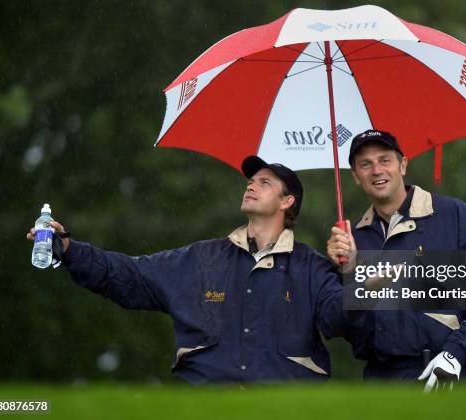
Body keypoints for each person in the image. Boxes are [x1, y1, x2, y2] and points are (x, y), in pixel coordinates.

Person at [28, 156, 359, 385]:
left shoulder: (313, 267)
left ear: (287, 202)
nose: (251, 186)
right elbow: (129, 275)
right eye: (251, 181)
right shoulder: (202, 258)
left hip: (287, 410)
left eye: (265, 182)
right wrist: (70, 250)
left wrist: (352, 273)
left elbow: (341, 319)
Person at [327, 129, 466, 391]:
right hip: (379, 382)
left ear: (402, 165)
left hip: (445, 375)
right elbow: (338, 326)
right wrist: (349, 272)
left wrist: (456, 355)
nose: (376, 170)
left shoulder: (453, 215)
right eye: (365, 164)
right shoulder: (351, 238)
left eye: (385, 160)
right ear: (356, 176)